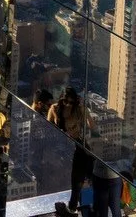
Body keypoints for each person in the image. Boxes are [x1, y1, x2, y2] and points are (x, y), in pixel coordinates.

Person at [50, 88, 94, 216]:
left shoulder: (79, 110)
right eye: (65, 101)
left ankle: (74, 207)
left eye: (71, 102)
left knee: (78, 179)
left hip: (78, 146)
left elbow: (92, 125)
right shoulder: (55, 108)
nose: (68, 104)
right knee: (71, 177)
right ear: (61, 99)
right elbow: (48, 126)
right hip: (62, 147)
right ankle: (73, 207)